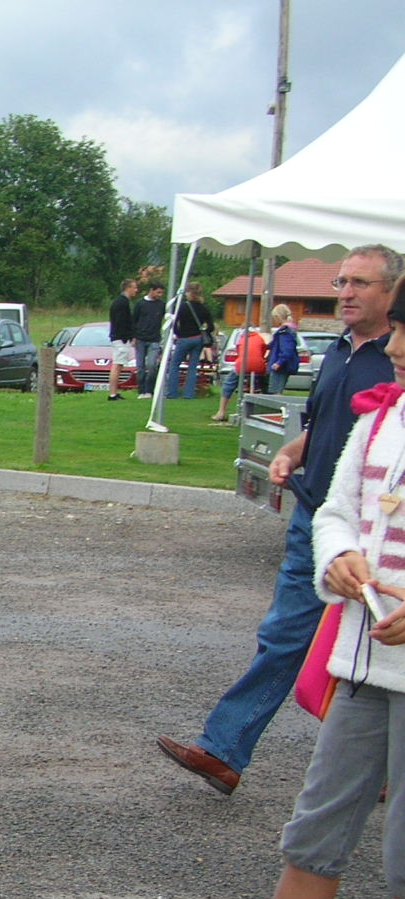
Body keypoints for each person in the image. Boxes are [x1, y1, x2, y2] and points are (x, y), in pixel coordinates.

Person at [154, 276, 405, 899]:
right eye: (396, 346)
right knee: (316, 829)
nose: (394, 359)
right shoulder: (381, 420)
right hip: (364, 669)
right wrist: (338, 560)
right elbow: (336, 510)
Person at [159, 245, 403, 794]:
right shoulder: (339, 352)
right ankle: (223, 750)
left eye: (360, 284)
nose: (344, 293)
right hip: (319, 519)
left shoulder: (397, 355)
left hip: (382, 535)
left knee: (383, 648)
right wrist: (293, 452)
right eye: (341, 282)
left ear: (392, 291)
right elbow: (325, 425)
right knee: (284, 635)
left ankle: (385, 768)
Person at [166, 281, 216, 401]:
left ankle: (172, 393)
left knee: (174, 365)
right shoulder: (204, 308)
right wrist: (203, 331)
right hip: (198, 338)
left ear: (188, 292)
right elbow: (211, 327)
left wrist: (178, 334)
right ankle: (189, 394)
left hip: (184, 338)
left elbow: (175, 323)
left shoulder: (183, 306)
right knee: (193, 367)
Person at [133, 281, 166, 400]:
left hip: (154, 339)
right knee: (140, 367)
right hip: (140, 339)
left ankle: (149, 390)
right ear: (151, 290)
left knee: (152, 365)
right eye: (158, 292)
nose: (160, 295)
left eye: (161, 293)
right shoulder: (140, 304)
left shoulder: (161, 305)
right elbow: (134, 320)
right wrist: (134, 336)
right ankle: (141, 390)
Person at [107, 279, 137, 401]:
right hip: (120, 339)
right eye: (134, 287)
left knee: (119, 365)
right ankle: (112, 393)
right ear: (127, 288)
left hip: (119, 337)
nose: (136, 290)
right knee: (117, 365)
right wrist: (128, 336)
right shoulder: (121, 303)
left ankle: (115, 392)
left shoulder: (122, 302)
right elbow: (121, 322)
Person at [267, 304, 300, 395]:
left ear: (278, 317)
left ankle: (276, 409)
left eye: (274, 317)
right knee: (276, 390)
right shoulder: (289, 331)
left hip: (280, 366)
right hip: (282, 365)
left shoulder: (284, 332)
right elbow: (276, 345)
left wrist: (279, 362)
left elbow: (287, 350)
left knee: (275, 392)